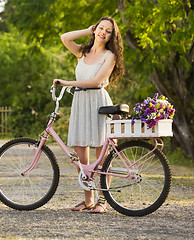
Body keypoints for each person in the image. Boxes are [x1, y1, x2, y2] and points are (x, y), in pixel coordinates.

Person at [54, 16, 124, 213]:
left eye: (108, 31)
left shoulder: (110, 56)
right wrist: (88, 30)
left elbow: (95, 82)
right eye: (101, 28)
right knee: (81, 158)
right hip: (80, 103)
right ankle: (88, 200)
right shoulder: (82, 52)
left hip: (99, 103)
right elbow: (65, 38)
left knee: (102, 157)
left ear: (112, 36)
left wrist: (68, 83)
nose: (103, 32)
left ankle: (103, 200)